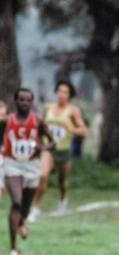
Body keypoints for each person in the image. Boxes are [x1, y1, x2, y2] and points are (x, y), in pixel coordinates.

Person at [2, 88, 53, 255]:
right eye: (21, 100)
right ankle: (13, 248)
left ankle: (22, 220)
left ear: (32, 103)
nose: (24, 103)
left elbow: (52, 141)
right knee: (16, 200)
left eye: (28, 100)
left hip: (31, 165)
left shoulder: (38, 121)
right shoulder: (6, 121)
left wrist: (42, 148)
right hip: (12, 163)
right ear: (15, 101)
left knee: (25, 204)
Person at [29, 81, 87, 219]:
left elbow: (83, 131)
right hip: (48, 149)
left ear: (69, 95)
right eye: (59, 91)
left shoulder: (73, 110)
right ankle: (35, 208)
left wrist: (70, 128)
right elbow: (41, 127)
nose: (61, 94)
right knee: (43, 175)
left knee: (62, 181)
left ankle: (63, 200)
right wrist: (36, 143)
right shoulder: (48, 107)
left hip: (64, 150)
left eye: (65, 92)